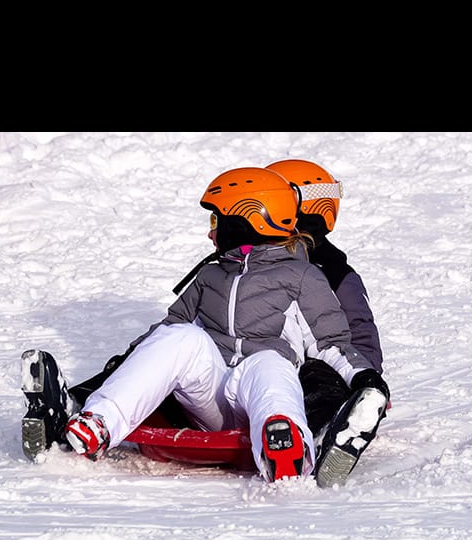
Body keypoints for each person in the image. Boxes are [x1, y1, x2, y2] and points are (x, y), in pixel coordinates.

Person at [21, 167, 389, 486]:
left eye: (216, 222)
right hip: (209, 396)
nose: (210, 234)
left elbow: (333, 342)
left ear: (247, 219)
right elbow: (167, 335)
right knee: (182, 336)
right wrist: (122, 366)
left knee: (271, 363)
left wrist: (365, 379)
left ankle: (284, 444)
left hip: (260, 392)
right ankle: (97, 424)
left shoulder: (303, 277)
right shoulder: (209, 276)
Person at [265, 159, 389, 467]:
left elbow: (360, 332)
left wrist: (364, 378)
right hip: (260, 365)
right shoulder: (253, 259)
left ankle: (332, 430)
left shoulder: (334, 272)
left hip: (321, 370)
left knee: (314, 377)